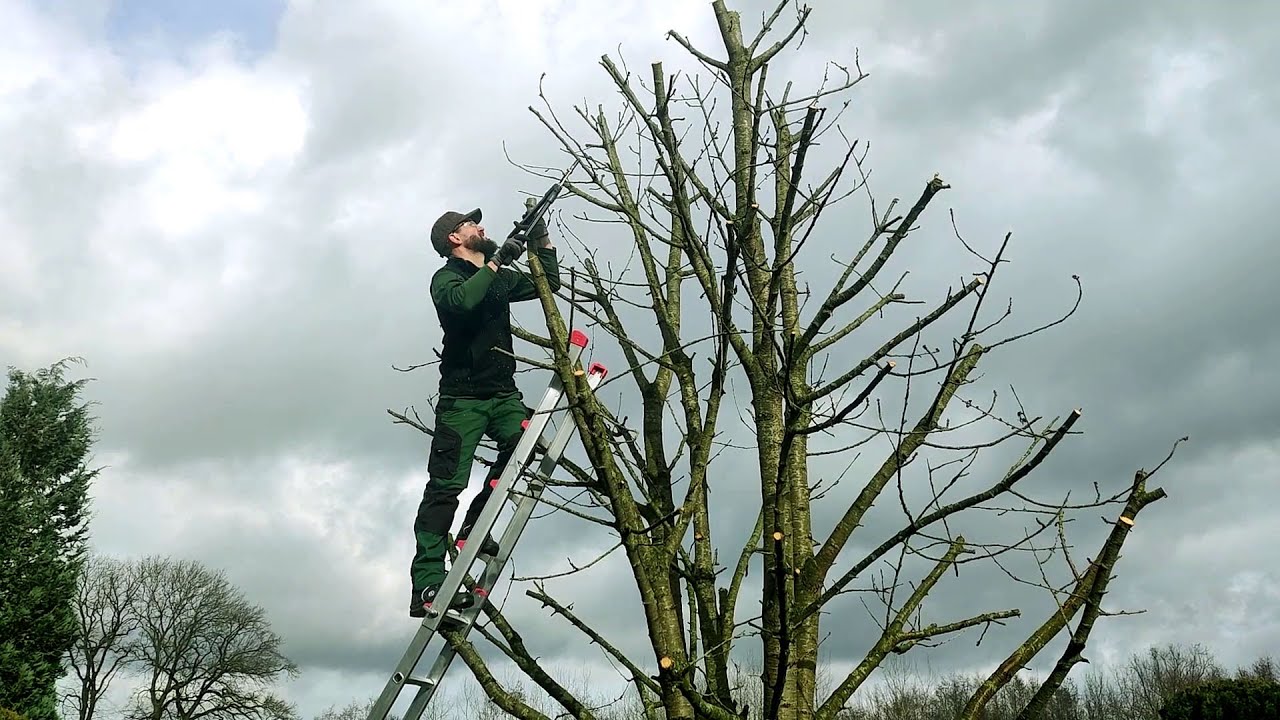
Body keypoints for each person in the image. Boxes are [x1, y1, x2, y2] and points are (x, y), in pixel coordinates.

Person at [411, 205, 560, 618]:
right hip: (462, 401)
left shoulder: (496, 277)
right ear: (454, 239)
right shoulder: (446, 279)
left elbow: (548, 284)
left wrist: (539, 240)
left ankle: (475, 527)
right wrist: (496, 261)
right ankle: (427, 583)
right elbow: (463, 303)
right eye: (471, 224)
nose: (482, 226)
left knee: (525, 447)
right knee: (444, 489)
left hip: (503, 394)